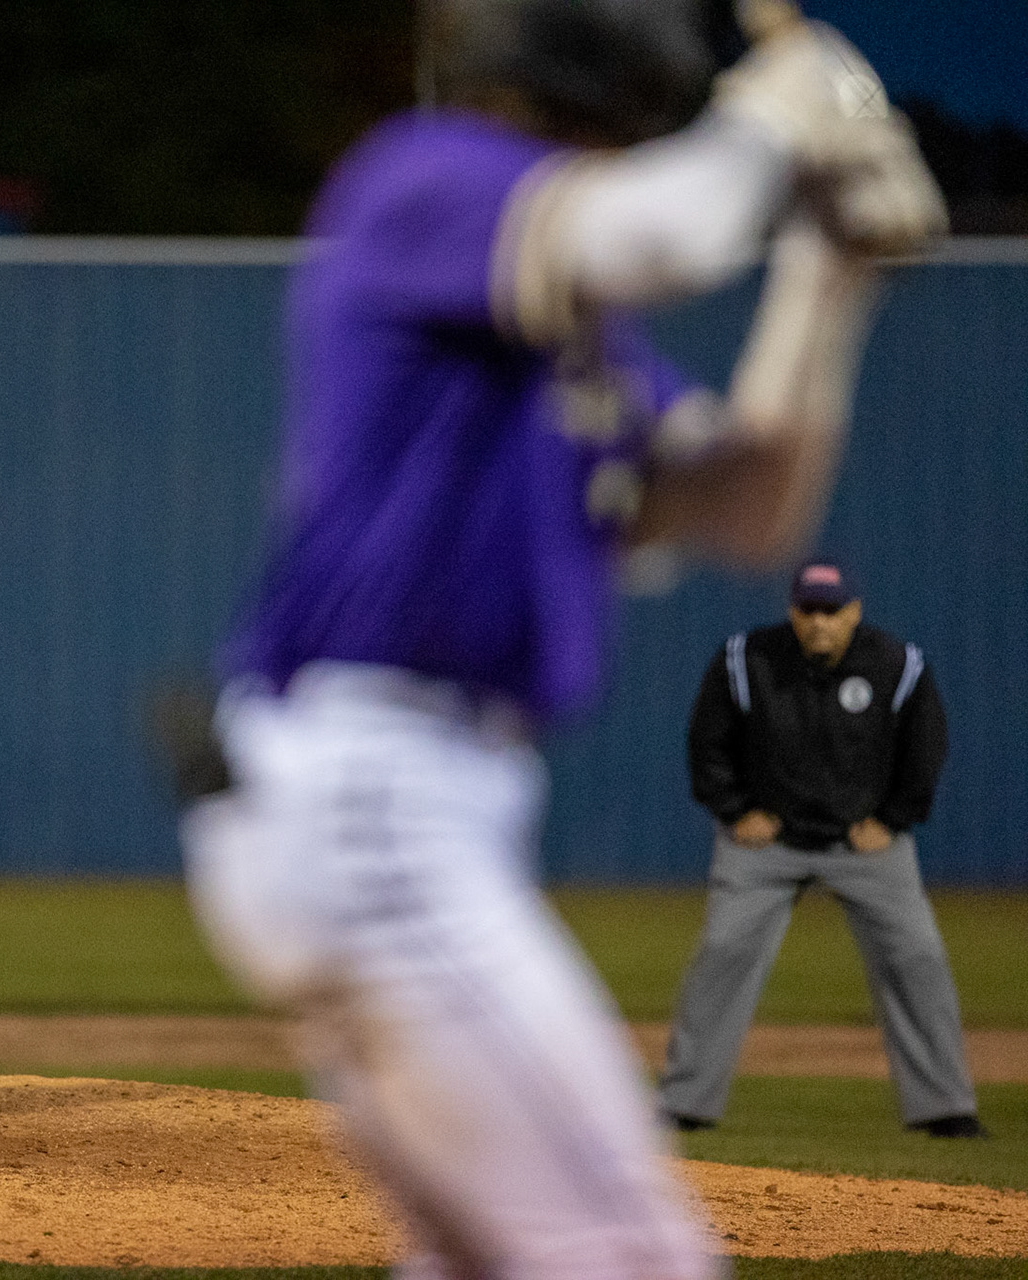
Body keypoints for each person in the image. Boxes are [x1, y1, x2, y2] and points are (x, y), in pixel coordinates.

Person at [173, 1, 945, 1276]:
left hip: (392, 801)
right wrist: (784, 110)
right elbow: (680, 231)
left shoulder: (567, 342)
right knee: (629, 1256)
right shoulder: (427, 179)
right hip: (379, 793)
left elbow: (742, 506)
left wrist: (829, 271)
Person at [660, 560, 983, 1138]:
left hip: (863, 844)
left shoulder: (896, 664)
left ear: (855, 612)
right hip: (767, 844)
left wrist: (893, 817)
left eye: (832, 610)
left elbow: (927, 745)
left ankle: (946, 1109)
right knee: (722, 951)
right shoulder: (746, 659)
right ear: (792, 610)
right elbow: (707, 740)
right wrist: (734, 809)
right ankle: (683, 1103)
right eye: (808, 608)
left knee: (918, 958)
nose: (819, 621)